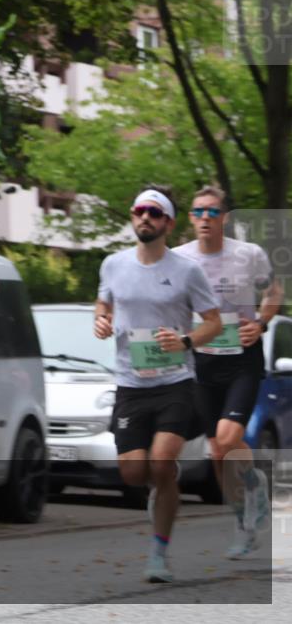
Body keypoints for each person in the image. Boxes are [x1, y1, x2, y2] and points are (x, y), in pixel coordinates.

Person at [94, 186, 221, 583]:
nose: (144, 217)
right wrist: (100, 319)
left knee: (162, 462)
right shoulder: (113, 264)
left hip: (174, 381)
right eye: (139, 211)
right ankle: (162, 487)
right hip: (131, 384)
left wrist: (184, 342)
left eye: (153, 212)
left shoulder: (187, 270)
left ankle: (159, 553)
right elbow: (104, 304)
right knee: (133, 473)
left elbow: (214, 322)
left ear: (167, 222)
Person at [173, 186, 282, 558]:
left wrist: (263, 323)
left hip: (242, 358)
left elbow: (273, 291)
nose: (205, 219)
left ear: (225, 218)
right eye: (199, 212)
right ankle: (246, 512)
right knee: (219, 451)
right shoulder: (177, 259)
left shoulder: (249, 255)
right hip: (201, 360)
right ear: (190, 218)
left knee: (227, 433)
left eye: (213, 213)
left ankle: (248, 505)